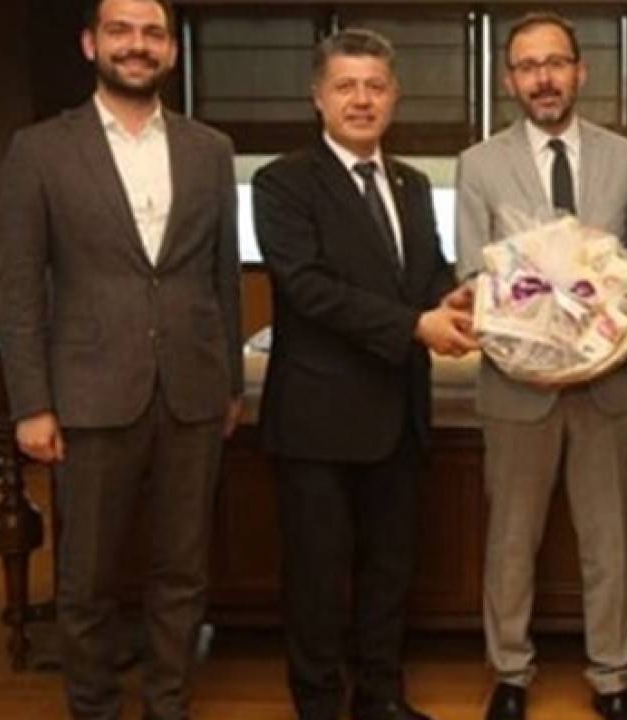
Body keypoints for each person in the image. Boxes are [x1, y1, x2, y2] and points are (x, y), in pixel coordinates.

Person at [0, 0, 243, 718]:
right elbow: (17, 288)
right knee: (88, 578)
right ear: (90, 43)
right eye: (121, 31)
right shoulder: (38, 150)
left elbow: (223, 276)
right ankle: (95, 706)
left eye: (153, 33)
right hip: (89, 395)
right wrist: (31, 403)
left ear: (171, 49)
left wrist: (228, 382)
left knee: (182, 573)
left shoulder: (210, 149)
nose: (138, 45)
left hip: (194, 393)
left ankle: (169, 703)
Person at [252, 28, 475, 720]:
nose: (361, 100)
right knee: (317, 578)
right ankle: (320, 704)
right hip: (317, 419)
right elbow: (308, 288)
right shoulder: (282, 182)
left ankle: (381, 697)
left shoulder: (411, 184)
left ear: (394, 96)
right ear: (318, 97)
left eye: (375, 86)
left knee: (389, 570)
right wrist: (415, 325)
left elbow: (425, 273)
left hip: (398, 414)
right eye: (345, 86)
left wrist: (457, 298)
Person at [454, 11, 627, 720]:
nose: (543, 78)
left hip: (605, 381)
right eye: (527, 66)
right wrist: (530, 284)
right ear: (510, 79)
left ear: (580, 70)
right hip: (517, 387)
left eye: (555, 63)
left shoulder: (622, 155)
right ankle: (510, 673)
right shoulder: (479, 164)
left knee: (609, 540)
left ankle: (612, 677)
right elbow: (471, 269)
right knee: (512, 541)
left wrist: (596, 266)